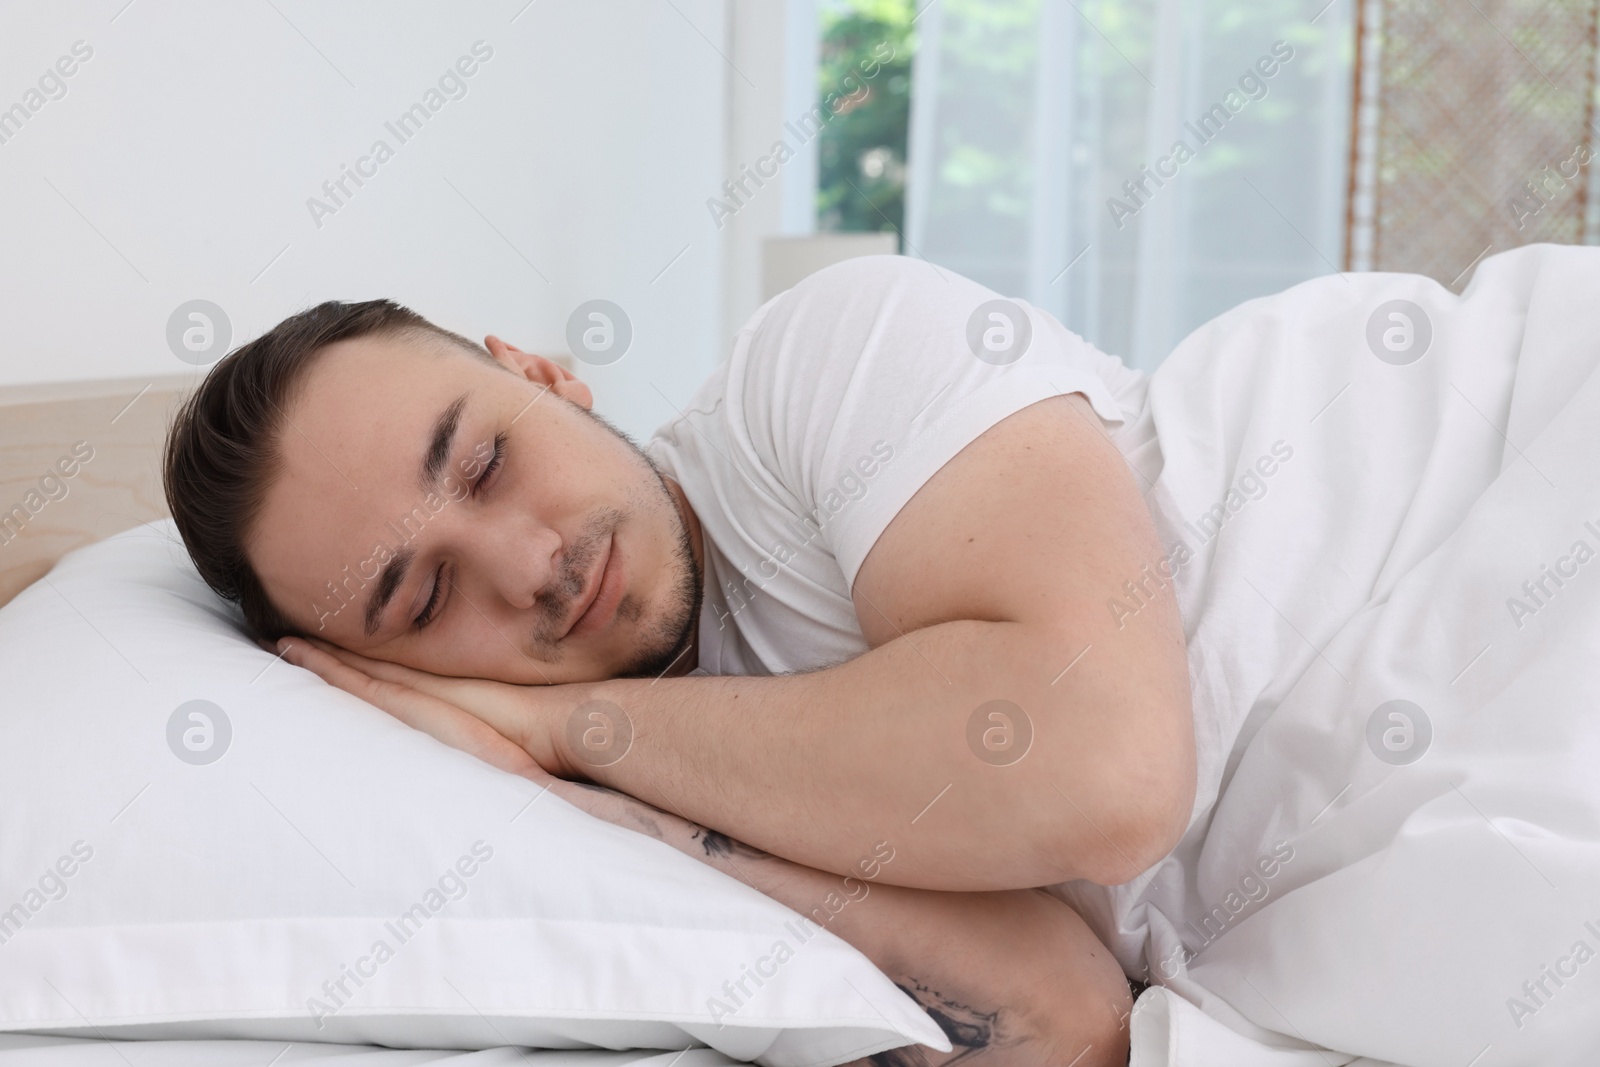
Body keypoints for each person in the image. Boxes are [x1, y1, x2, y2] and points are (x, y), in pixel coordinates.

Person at [164, 255, 1197, 1067]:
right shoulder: (594, 814)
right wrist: (566, 791)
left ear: (539, 373)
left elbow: (1108, 770)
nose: (532, 565)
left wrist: (564, 726)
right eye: (427, 596)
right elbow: (1070, 1024)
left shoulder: (827, 351)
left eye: (485, 460)